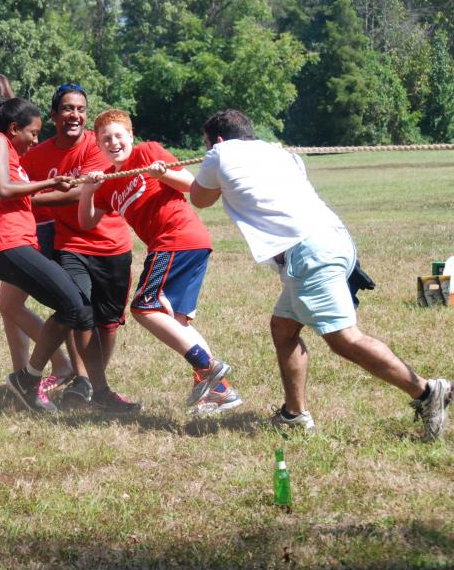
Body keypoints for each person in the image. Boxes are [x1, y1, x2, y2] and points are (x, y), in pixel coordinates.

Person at [190, 109, 451, 438]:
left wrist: (167, 172)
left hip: (308, 252)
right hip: (333, 239)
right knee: (283, 328)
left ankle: (428, 392)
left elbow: (200, 198)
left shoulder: (220, 152)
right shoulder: (280, 153)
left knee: (345, 339)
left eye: (206, 143)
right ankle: (294, 414)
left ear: (216, 138)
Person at [0, 97, 138, 413]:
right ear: (13, 128)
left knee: (79, 309)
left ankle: (92, 388)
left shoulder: (9, 154)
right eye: (32, 133)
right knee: (74, 305)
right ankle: (30, 378)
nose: (35, 140)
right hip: (8, 245)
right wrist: (51, 182)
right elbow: (2, 190)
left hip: (21, 242)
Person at [79, 109, 240, 414]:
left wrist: (162, 173)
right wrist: (88, 190)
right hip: (181, 245)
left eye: (118, 135)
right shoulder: (109, 183)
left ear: (130, 136)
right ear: (98, 146)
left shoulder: (148, 151)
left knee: (143, 307)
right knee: (175, 321)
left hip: (176, 240)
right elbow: (87, 222)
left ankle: (209, 365)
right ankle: (220, 392)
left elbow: (191, 185)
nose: (113, 142)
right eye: (105, 139)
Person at [22, 84, 134, 407]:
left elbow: (78, 192)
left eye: (81, 109)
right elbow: (16, 181)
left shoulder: (96, 147)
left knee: (108, 324)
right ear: (54, 114)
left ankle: (92, 382)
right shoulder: (38, 154)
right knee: (77, 308)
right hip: (69, 244)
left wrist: (34, 196)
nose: (75, 115)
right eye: (68, 109)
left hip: (111, 244)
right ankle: (86, 382)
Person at [0, 72, 74, 388]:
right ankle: (35, 372)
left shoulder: (0, 140)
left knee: (67, 306)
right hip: (16, 234)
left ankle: (58, 370)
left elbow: (1, 188)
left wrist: (79, 190)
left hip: (23, 236)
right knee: (9, 305)